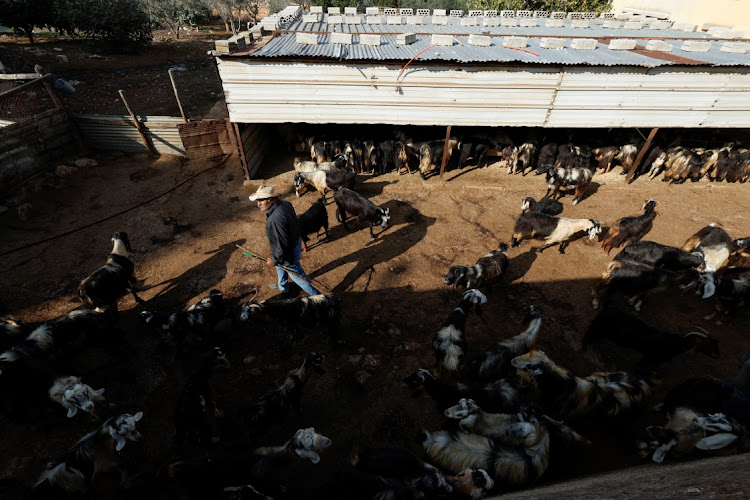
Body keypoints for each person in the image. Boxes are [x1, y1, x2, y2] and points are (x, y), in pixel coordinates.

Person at [249, 185, 320, 296]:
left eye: (261, 200)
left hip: (287, 254)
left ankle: (318, 296)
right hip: (294, 243)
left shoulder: (275, 219)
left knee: (299, 278)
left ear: (271, 200)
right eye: (258, 200)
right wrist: (276, 258)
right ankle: (283, 286)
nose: (258, 204)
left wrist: (274, 259)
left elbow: (282, 246)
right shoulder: (285, 204)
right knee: (280, 266)